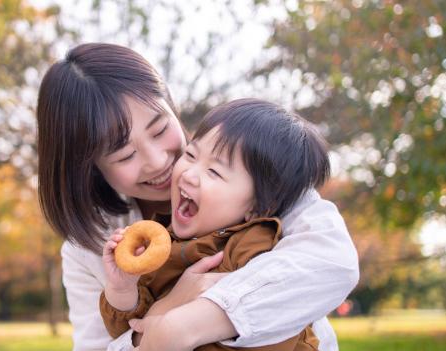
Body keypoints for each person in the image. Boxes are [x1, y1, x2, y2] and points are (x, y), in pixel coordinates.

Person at [36, 43, 359, 351]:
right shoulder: (91, 247)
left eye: (160, 129)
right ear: (89, 167)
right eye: (124, 155)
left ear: (171, 106)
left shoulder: (257, 169)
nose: (158, 161)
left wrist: (193, 320)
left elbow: (331, 262)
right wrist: (170, 306)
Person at [100, 98, 333, 350]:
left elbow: (270, 327)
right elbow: (131, 330)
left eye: (215, 172)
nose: (188, 174)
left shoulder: (253, 249)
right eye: (191, 155)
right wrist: (122, 289)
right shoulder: (163, 243)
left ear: (257, 207)